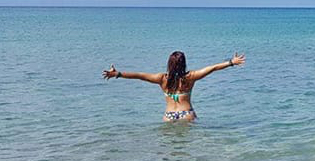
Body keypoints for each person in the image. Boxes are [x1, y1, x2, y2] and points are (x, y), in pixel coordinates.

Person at [103, 51, 246, 122]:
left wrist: (118, 74)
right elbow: (213, 68)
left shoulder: (161, 79)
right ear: (184, 63)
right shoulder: (190, 77)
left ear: (169, 64)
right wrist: (231, 62)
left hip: (169, 116)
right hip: (186, 114)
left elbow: (139, 75)